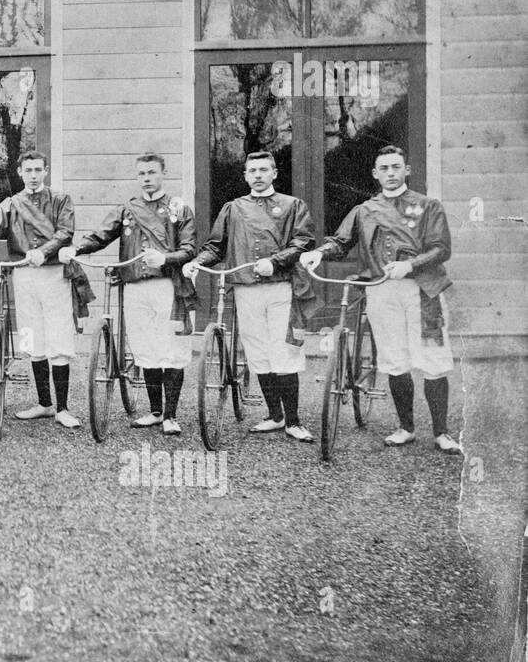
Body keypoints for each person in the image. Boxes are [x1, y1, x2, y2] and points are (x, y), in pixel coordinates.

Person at [300, 145, 460, 453]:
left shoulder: (428, 206)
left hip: (422, 290)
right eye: (384, 168)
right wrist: (317, 253)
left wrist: (409, 264)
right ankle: (406, 428)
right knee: (394, 360)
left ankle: (441, 432)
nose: (390, 173)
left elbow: (442, 248)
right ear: (375, 174)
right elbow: (340, 241)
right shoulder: (365, 210)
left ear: (406, 170)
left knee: (433, 362)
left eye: (395, 167)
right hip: (381, 289)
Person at [59, 153, 197, 435]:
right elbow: (100, 235)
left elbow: (190, 248)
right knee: (145, 348)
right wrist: (77, 249)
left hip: (168, 285)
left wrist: (166, 259)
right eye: (141, 174)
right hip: (134, 286)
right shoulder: (127, 209)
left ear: (163, 173)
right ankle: (156, 411)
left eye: (152, 172)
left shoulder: (178, 207)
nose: (146, 178)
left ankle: (171, 415)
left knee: (170, 349)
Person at [183, 150, 315, 442]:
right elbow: (216, 246)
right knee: (258, 353)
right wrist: (197, 263)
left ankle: (293, 420)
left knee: (283, 351)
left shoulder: (292, 205)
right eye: (252, 171)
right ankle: (274, 415)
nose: (257, 175)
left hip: (281, 287)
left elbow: (303, 241)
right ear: (245, 175)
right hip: (244, 288)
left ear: (274, 173)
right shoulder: (233, 208)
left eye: (263, 170)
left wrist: (276, 261)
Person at [0, 149, 80, 428]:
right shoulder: (11, 204)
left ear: (46, 171)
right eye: (28, 170)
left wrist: (45, 251)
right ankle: (43, 403)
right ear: (19, 173)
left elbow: (65, 232)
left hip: (54, 273)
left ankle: (62, 408)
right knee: (31, 337)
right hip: (24, 274)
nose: (33, 176)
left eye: (38, 170)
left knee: (58, 336)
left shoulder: (60, 200)